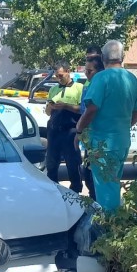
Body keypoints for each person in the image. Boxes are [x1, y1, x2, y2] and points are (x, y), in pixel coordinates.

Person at [77, 40, 137, 213]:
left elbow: (91, 108)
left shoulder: (101, 78)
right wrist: (126, 124)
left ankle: (110, 230)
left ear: (103, 58)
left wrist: (78, 129)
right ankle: (115, 226)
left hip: (102, 144)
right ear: (122, 57)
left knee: (106, 192)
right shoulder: (130, 78)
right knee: (112, 185)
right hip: (121, 142)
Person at [44, 61, 85, 193]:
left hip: (70, 130)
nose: (59, 78)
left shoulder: (79, 88)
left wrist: (66, 106)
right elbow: (47, 112)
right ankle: (53, 190)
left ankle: (76, 190)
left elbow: (83, 109)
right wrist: (51, 106)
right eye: (56, 76)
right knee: (51, 164)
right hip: (54, 131)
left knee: (73, 163)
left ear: (68, 72)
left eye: (61, 75)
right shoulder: (53, 89)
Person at [79, 54, 104, 198]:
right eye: (85, 71)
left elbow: (91, 110)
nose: (87, 74)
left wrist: (78, 130)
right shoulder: (89, 84)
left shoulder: (100, 85)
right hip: (89, 137)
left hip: (99, 137)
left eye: (90, 71)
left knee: (96, 176)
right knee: (87, 173)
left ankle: (101, 212)